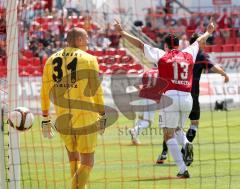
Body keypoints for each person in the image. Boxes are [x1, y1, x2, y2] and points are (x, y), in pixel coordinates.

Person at [114, 18, 216, 178]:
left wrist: (122, 32)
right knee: (177, 130)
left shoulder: (162, 54)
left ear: (166, 46)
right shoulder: (188, 53)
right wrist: (209, 31)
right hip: (187, 98)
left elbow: (140, 44)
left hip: (171, 97)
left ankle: (182, 170)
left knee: (168, 135)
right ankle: (187, 143)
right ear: (178, 45)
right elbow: (200, 41)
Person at [40, 27, 106, 189]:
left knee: (73, 157)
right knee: (88, 161)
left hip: (62, 118)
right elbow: (96, 90)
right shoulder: (89, 59)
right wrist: (103, 114)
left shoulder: (50, 60)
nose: (88, 42)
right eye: (86, 39)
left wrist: (45, 118)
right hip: (85, 118)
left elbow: (44, 91)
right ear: (79, 40)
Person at [157, 33, 229, 164]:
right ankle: (186, 148)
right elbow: (213, 67)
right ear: (199, 43)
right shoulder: (200, 55)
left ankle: (165, 152)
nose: (205, 44)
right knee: (193, 124)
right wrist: (224, 74)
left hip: (176, 93)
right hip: (191, 96)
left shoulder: (183, 54)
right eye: (204, 42)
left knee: (171, 127)